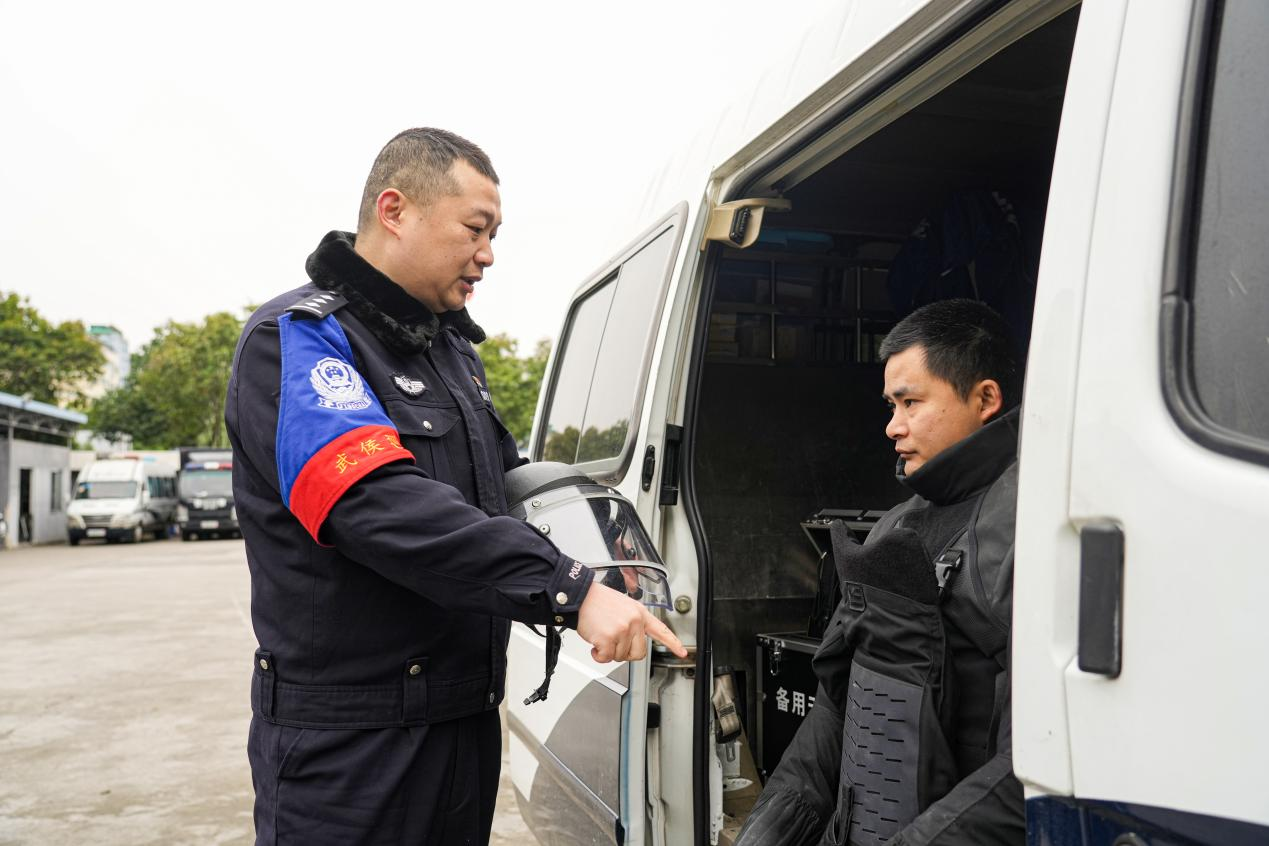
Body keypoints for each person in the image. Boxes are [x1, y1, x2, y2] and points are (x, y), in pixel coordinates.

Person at [226, 127, 685, 845]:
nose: (488, 253)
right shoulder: (302, 339)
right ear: (395, 211)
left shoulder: (451, 354)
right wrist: (567, 589)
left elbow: (509, 493)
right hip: (353, 748)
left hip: (460, 724)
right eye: (475, 229)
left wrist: (607, 565)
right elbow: (375, 504)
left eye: (495, 235)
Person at [738, 299, 1024, 845]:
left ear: (986, 399)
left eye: (911, 402)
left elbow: (1034, 771)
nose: (893, 427)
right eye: (891, 406)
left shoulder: (1034, 528)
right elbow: (833, 714)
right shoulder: (896, 524)